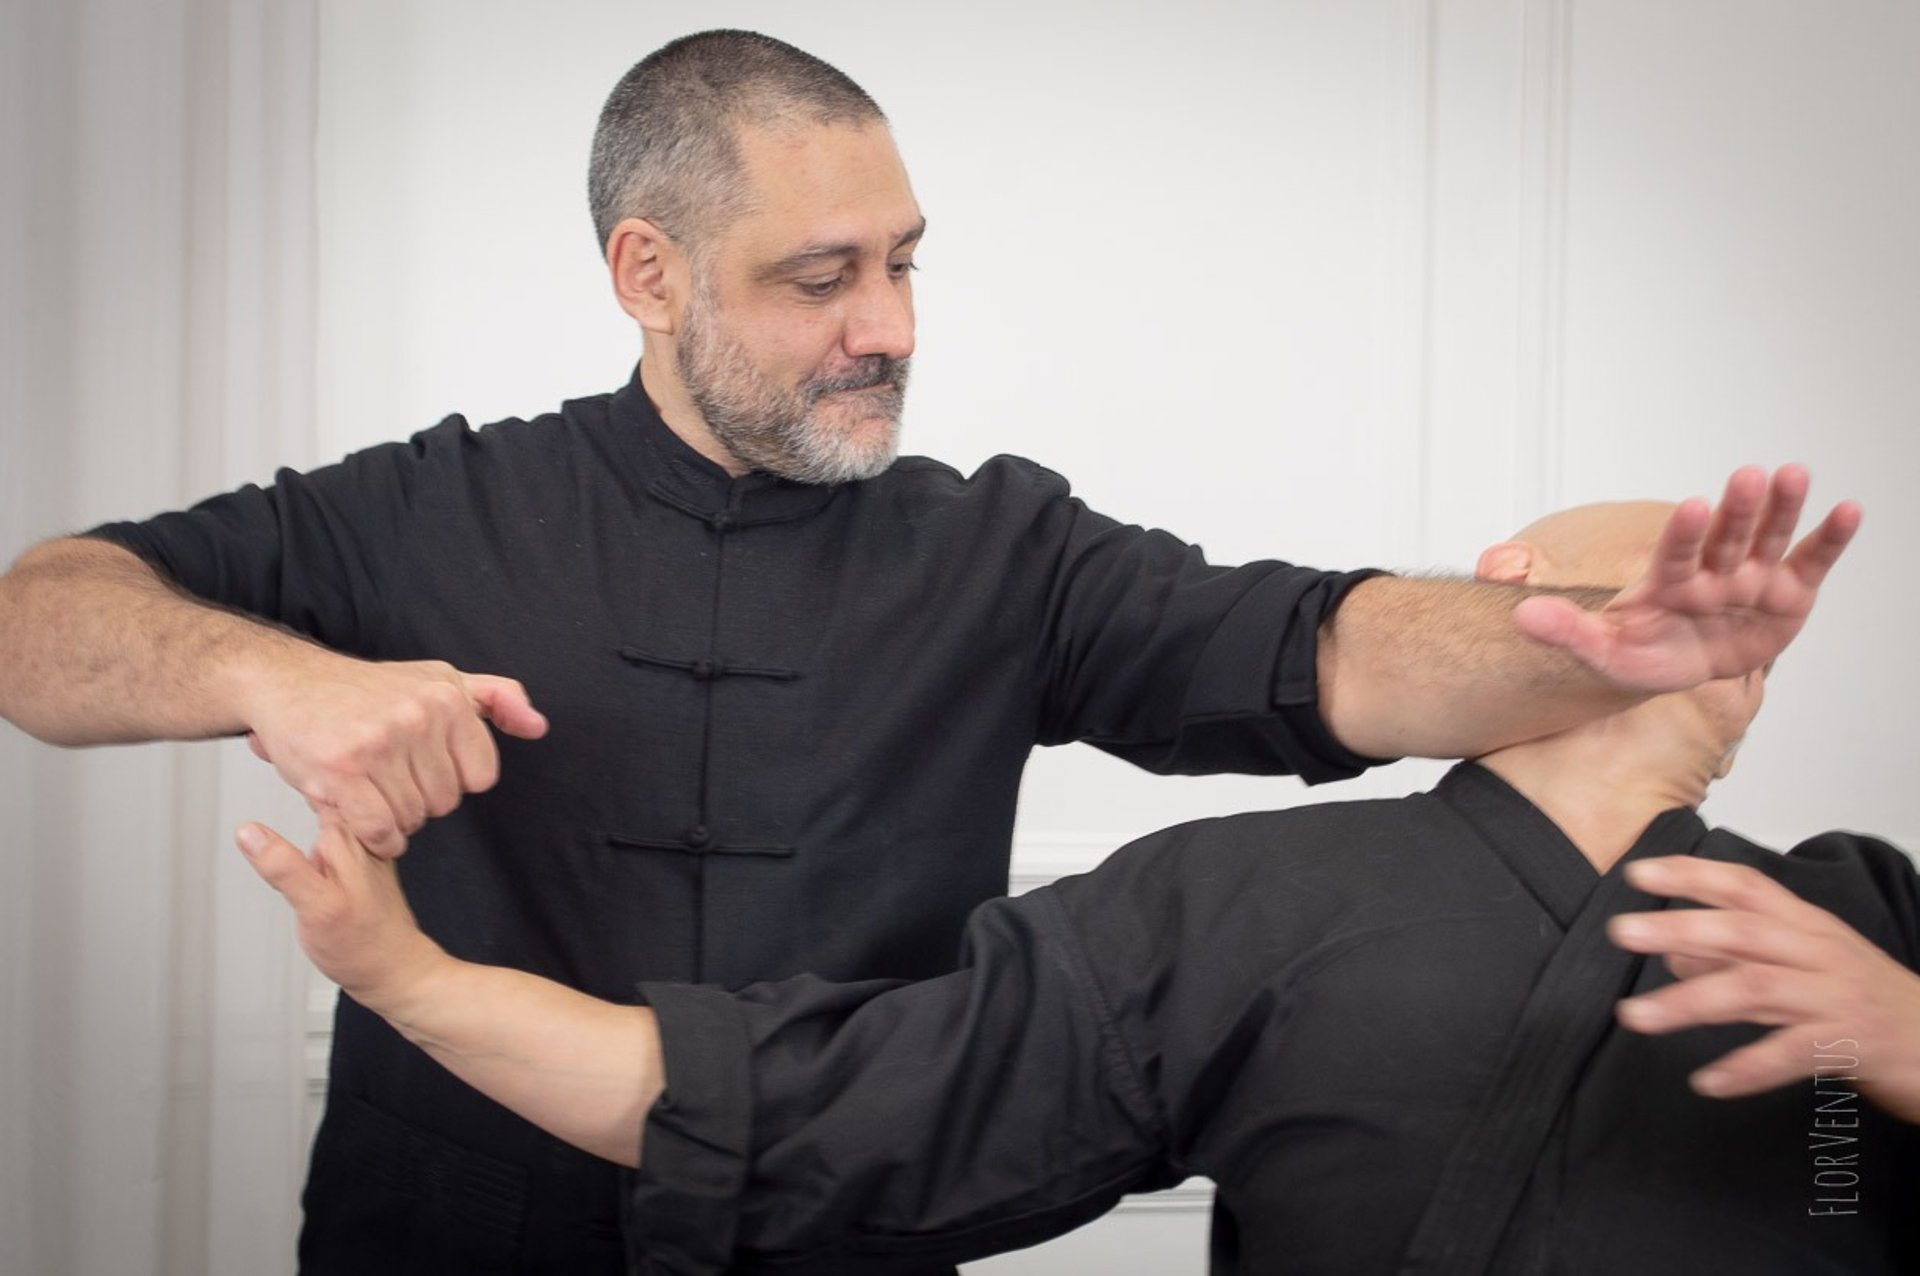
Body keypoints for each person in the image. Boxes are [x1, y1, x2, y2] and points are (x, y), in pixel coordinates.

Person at [0, 28, 1862, 1272]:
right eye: (822, 278)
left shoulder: (1007, 548)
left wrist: (1597, 644)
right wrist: (275, 676)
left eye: (905, 261)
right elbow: (40, 621)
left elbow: (1334, 652)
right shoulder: (421, 510)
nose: (887, 325)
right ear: (649, 274)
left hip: (846, 1234)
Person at [241, 500, 1920, 1275]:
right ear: (1505, 615)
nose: (1704, 619)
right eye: (1664, 582)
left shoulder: (1878, 918)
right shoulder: (1241, 900)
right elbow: (803, 1108)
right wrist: (404, 980)